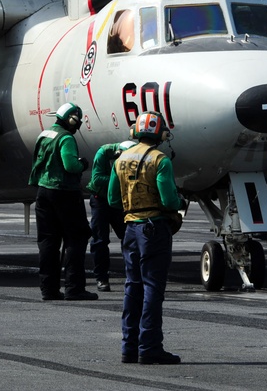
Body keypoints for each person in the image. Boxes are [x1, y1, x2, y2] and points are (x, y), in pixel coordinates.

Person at [108, 111, 183, 365]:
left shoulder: (121, 159)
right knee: (152, 287)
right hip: (154, 229)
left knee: (132, 286)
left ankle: (128, 347)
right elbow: (169, 200)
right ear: (160, 134)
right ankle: (149, 346)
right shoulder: (160, 160)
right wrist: (178, 202)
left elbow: (112, 200)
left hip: (130, 228)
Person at [28, 102, 98, 301]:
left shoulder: (44, 134)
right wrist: (83, 163)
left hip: (43, 192)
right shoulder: (66, 138)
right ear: (71, 119)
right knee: (76, 238)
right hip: (64, 193)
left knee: (48, 241)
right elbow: (70, 165)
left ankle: (48, 289)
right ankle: (74, 288)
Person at [87, 134, 135, 291]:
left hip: (119, 201)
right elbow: (96, 179)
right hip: (100, 199)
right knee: (100, 240)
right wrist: (119, 178)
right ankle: (101, 278)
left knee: (128, 238)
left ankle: (133, 275)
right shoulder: (104, 152)